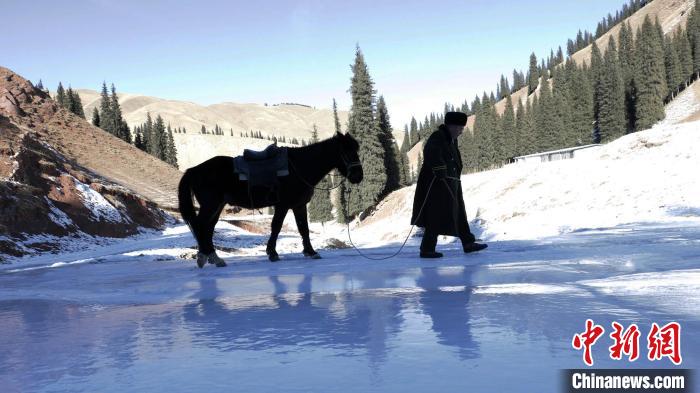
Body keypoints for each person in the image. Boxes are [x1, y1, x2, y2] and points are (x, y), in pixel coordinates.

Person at [410, 111, 487, 258]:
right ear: (451, 126)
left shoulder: (451, 139)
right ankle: (427, 249)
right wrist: (440, 169)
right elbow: (431, 153)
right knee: (436, 215)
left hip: (452, 182)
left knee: (459, 213)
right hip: (437, 185)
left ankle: (468, 243)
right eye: (459, 128)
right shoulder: (438, 136)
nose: (461, 131)